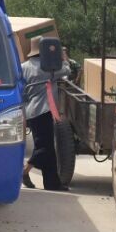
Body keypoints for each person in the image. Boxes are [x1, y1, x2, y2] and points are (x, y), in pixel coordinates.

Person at [21, 36, 70, 191]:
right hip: (43, 110)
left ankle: (52, 183)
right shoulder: (48, 68)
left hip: (30, 111)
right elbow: (67, 70)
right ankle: (24, 171)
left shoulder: (24, 67)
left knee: (48, 148)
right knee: (44, 148)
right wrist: (63, 57)